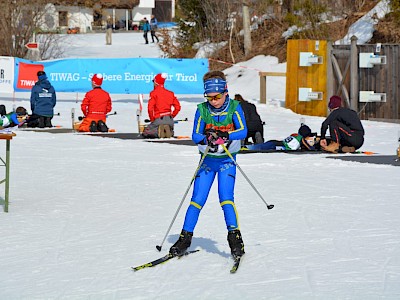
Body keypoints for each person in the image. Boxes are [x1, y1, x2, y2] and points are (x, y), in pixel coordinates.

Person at [169, 71, 248, 261]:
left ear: (225, 92)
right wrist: (206, 137)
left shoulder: (234, 107)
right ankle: (184, 238)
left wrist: (226, 135)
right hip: (207, 161)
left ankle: (235, 239)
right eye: (209, 97)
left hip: (226, 161)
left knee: (226, 199)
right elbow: (195, 135)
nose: (213, 101)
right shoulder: (202, 110)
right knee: (197, 199)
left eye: (217, 97)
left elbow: (243, 130)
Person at [142, 73, 181, 138]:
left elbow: (150, 108)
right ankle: (168, 131)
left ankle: (158, 132)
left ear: (156, 82)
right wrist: (172, 116)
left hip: (159, 119)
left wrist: (152, 119)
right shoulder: (170, 93)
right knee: (169, 129)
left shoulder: (154, 93)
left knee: (146, 132)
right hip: (169, 119)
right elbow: (177, 107)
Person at [244, 124, 317, 151]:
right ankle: (246, 148)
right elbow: (309, 148)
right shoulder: (301, 139)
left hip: (277, 143)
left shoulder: (295, 135)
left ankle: (246, 147)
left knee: (261, 146)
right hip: (278, 145)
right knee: (260, 147)